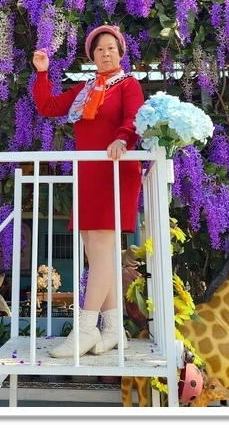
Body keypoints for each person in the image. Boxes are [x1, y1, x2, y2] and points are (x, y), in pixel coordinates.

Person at [32, 24, 144, 358]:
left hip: (115, 170)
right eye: (99, 50)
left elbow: (135, 118)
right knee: (97, 254)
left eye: (111, 48)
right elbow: (48, 107)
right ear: (91, 56)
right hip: (89, 172)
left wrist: (123, 138)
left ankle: (84, 330)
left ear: (120, 52)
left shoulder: (128, 85)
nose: (105, 53)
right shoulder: (84, 90)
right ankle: (111, 330)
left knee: (101, 251)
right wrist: (42, 73)